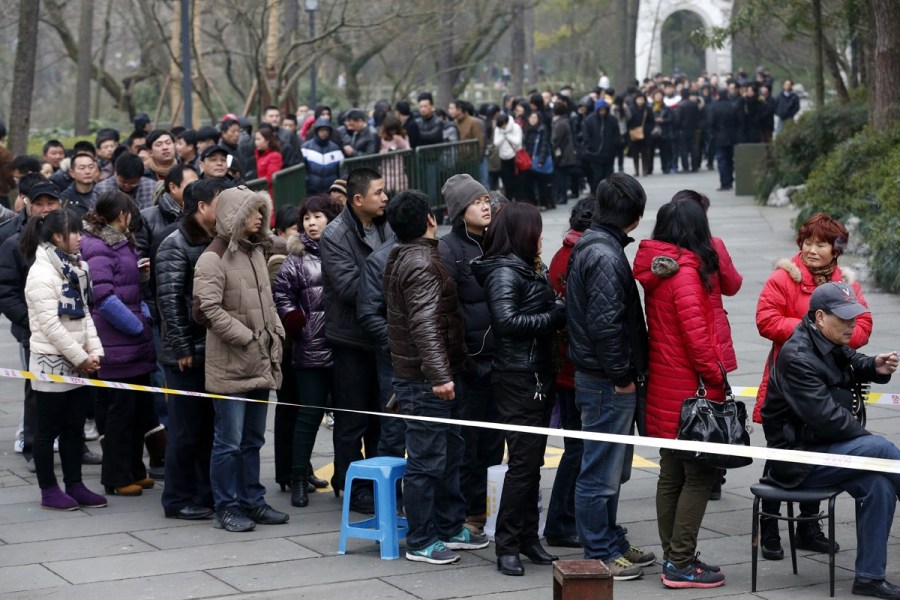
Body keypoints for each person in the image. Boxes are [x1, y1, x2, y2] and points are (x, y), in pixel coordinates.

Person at [761, 282, 900, 600]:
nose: (853, 325)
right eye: (846, 319)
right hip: (798, 459)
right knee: (878, 448)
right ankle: (869, 577)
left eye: (854, 318)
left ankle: (869, 578)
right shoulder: (798, 357)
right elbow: (830, 421)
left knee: (878, 484)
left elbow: (853, 360)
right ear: (820, 316)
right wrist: (868, 445)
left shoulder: (827, 338)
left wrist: (875, 365)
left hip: (825, 449)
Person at [754, 212, 871, 560]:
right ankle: (769, 528)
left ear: (836, 250)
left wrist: (839, 339)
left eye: (821, 244)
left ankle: (808, 527)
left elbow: (862, 323)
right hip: (791, 377)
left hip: (831, 381)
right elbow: (766, 319)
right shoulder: (784, 277)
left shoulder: (846, 283)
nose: (812, 249)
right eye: (807, 242)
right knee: (781, 449)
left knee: (820, 445)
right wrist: (813, 334)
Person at [383, 189, 490, 564]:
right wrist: (440, 376)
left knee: (449, 453)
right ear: (430, 219)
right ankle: (422, 538)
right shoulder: (421, 263)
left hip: (432, 375)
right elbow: (425, 325)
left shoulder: (409, 256)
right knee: (427, 460)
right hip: (427, 380)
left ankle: (448, 526)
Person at [632, 198, 727, 589]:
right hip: (691, 392)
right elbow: (697, 340)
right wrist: (717, 375)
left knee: (671, 474)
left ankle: (675, 556)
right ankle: (682, 562)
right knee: (699, 475)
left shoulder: (660, 272)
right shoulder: (686, 275)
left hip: (665, 389)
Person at [471, 202, 567, 577]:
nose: (542, 237)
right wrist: (553, 315)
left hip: (536, 374)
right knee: (524, 465)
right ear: (524, 232)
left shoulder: (524, 267)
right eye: (537, 230)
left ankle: (528, 537)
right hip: (517, 376)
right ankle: (507, 544)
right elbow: (507, 321)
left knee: (532, 463)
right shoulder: (504, 272)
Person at [566, 173, 654, 581]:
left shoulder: (598, 245)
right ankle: (599, 551)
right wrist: (622, 375)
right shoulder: (603, 253)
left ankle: (611, 539)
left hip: (604, 375)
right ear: (635, 218)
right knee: (600, 471)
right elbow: (605, 326)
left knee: (611, 470)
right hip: (604, 379)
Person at [193, 185, 289, 532]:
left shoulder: (255, 252)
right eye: (252, 211)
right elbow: (205, 309)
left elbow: (268, 302)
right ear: (234, 215)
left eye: (262, 211)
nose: (259, 218)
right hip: (231, 364)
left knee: (253, 440)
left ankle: (254, 500)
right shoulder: (213, 257)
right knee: (228, 442)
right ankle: (227, 506)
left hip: (259, 360)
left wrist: (275, 331)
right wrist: (246, 337)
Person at [21, 209, 107, 511]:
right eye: (75, 232)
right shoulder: (42, 274)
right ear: (58, 237)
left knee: (74, 427)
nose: (80, 238)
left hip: (78, 362)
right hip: (51, 363)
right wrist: (81, 357)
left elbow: (84, 316)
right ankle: (49, 490)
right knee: (48, 430)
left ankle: (75, 484)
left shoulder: (75, 268)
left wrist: (94, 353)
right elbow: (51, 327)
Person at [319, 168, 392, 514]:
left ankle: (377, 482)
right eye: (378, 193)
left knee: (381, 416)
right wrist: (391, 287)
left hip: (381, 333)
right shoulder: (335, 234)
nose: (385, 198)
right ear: (357, 199)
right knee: (352, 418)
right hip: (350, 337)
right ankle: (350, 484)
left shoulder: (386, 223)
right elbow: (349, 288)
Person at [438, 174, 504, 534]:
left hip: (500, 362)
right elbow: (446, 311)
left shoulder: (496, 241)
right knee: (468, 445)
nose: (485, 205)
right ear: (459, 211)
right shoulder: (449, 249)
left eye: (486, 199)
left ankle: (485, 507)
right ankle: (467, 511)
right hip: (470, 365)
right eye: (476, 201)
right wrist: (465, 360)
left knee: (494, 441)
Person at [81, 191, 158, 497]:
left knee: (138, 411)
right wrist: (138, 326)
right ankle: (116, 475)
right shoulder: (99, 245)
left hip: (131, 341)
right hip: (118, 341)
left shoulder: (119, 241)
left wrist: (140, 276)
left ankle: (135, 469)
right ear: (120, 215)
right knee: (120, 413)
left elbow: (123, 286)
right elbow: (105, 297)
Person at [155, 179, 223, 520]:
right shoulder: (175, 244)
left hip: (210, 349)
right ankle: (177, 498)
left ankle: (203, 492)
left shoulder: (217, 240)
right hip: (184, 353)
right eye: (218, 203)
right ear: (201, 207)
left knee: (207, 427)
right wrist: (182, 346)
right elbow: (168, 301)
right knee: (183, 431)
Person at [272, 195, 342, 507]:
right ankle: (298, 476)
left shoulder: (346, 250)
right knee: (309, 415)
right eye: (307, 218)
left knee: (347, 417)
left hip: (345, 348)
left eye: (318, 217)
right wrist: (296, 321)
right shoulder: (296, 258)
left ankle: (346, 475)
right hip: (310, 349)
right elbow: (281, 294)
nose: (311, 223)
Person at [544, 198, 594, 549]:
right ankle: (561, 522)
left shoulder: (564, 252)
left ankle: (567, 519)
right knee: (578, 449)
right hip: (576, 369)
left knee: (576, 448)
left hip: (565, 366)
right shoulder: (582, 255)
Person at [94, 153, 159, 211]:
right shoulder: (102, 189)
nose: (127, 186)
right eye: (123, 182)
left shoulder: (152, 187)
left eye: (132, 183)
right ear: (116, 173)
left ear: (140, 177)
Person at [582, 99, 621, 189]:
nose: (602, 112)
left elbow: (616, 135)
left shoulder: (612, 120)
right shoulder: (589, 120)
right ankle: (597, 193)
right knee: (597, 175)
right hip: (595, 154)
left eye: (604, 110)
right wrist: (590, 147)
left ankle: (609, 193)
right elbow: (586, 136)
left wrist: (614, 146)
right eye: (600, 110)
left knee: (609, 175)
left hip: (609, 153)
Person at [707, 89, 740, 191]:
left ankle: (724, 182)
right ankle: (730, 180)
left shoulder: (714, 107)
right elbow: (737, 120)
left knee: (721, 160)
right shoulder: (733, 106)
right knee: (730, 159)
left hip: (719, 136)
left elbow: (711, 122)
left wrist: (712, 132)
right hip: (731, 136)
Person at [301, 118, 344, 195]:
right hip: (312, 190)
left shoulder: (335, 148)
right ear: (317, 131)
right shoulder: (306, 147)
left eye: (326, 130)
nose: (324, 133)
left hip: (330, 189)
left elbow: (341, 169)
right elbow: (302, 169)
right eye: (321, 130)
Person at [523, 111, 554, 210]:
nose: (533, 120)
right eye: (531, 117)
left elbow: (544, 145)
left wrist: (541, 160)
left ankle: (543, 202)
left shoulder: (542, 129)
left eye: (535, 118)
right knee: (529, 183)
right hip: (528, 161)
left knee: (542, 184)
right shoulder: (526, 129)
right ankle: (534, 203)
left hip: (538, 160)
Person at [550, 101, 577, 207]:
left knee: (561, 176)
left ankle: (562, 196)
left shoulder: (560, 123)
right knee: (562, 176)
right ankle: (561, 196)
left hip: (563, 154)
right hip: (565, 153)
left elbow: (555, 139)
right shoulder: (563, 121)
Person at [492, 113, 523, 202]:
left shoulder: (516, 127)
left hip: (515, 157)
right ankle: (509, 200)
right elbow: (496, 143)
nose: (502, 128)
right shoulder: (498, 129)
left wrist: (507, 135)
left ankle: (518, 200)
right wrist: (503, 134)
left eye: (503, 126)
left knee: (516, 180)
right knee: (506, 181)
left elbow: (517, 142)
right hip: (503, 157)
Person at [627, 94, 654, 177]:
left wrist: (647, 129)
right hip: (634, 133)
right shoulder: (631, 109)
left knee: (645, 153)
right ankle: (637, 170)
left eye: (642, 99)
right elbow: (628, 121)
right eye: (638, 99)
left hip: (645, 134)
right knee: (635, 153)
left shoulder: (647, 109)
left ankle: (645, 170)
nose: (640, 101)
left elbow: (652, 121)